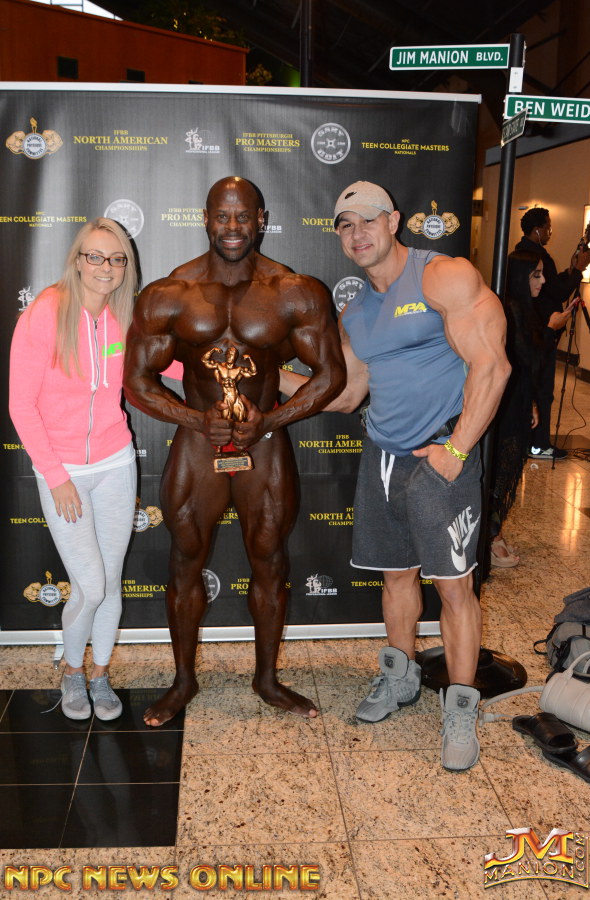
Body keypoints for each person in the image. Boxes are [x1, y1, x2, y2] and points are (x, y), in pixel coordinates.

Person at [280, 181, 510, 771]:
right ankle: (400, 677)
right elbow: (344, 394)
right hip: (383, 458)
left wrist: (457, 450)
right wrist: (259, 374)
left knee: (454, 588)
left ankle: (461, 708)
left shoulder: (442, 277)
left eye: (367, 220)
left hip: (441, 455)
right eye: (345, 225)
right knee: (397, 577)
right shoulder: (357, 312)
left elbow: (492, 364)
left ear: (393, 221)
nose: (357, 234)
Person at [123, 175, 346, 727]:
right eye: (222, 216)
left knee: (270, 558)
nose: (232, 227)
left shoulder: (294, 291)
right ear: (205, 219)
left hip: (262, 441)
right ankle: (183, 681)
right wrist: (195, 417)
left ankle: (267, 679)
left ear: (261, 220)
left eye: (243, 216)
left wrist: (271, 419)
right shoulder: (169, 294)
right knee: (184, 560)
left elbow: (331, 374)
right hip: (199, 441)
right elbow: (137, 381)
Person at [9, 218, 140, 722]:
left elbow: (159, 366)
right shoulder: (46, 312)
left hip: (115, 463)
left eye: (117, 258)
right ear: (78, 260)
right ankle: (71, 669)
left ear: (126, 266)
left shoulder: (123, 315)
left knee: (112, 579)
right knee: (90, 584)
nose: (106, 268)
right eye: (96, 256)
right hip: (62, 471)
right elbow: (21, 405)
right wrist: (56, 476)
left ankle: (100, 673)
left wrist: (211, 365)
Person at [488, 251, 578, 567]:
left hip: (520, 402)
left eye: (542, 274)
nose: (542, 281)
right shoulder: (509, 309)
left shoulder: (523, 308)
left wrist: (533, 403)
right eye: (535, 275)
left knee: (508, 472)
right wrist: (552, 329)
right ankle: (491, 538)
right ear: (519, 278)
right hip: (507, 407)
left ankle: (494, 533)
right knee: (501, 474)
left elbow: (528, 366)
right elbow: (528, 360)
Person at [514, 208, 590, 460]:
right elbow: (557, 292)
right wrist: (578, 270)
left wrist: (570, 272)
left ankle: (532, 441)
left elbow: (551, 286)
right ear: (537, 230)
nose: (550, 231)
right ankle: (538, 444)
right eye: (547, 227)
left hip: (538, 329)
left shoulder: (525, 251)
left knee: (536, 386)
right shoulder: (534, 256)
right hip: (540, 331)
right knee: (542, 388)